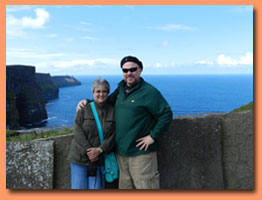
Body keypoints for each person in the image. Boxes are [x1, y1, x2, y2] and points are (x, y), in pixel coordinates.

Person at [77, 55, 173, 189]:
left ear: (140, 70)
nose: (129, 73)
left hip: (141, 154)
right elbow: (106, 102)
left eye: (133, 69)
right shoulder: (121, 89)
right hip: (121, 154)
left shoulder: (149, 91)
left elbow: (166, 114)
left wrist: (152, 136)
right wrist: (88, 102)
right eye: (125, 70)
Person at [68, 78, 115, 189]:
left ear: (108, 93)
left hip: (100, 159)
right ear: (93, 92)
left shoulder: (113, 111)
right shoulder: (84, 108)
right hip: (79, 158)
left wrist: (99, 150)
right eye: (98, 91)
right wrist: (89, 151)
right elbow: (77, 129)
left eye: (104, 91)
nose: (101, 94)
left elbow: (113, 134)